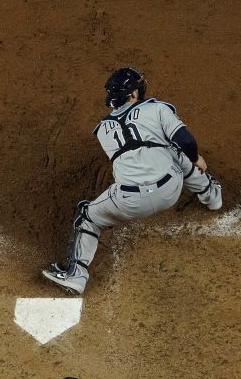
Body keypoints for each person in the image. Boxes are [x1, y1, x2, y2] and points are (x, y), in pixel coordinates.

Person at [42, 67, 222, 294]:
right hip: (170, 189)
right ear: (133, 95)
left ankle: (76, 276)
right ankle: (212, 196)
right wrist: (196, 158)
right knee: (176, 151)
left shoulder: (102, 130)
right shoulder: (157, 109)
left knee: (87, 217)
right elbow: (185, 139)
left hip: (129, 202)